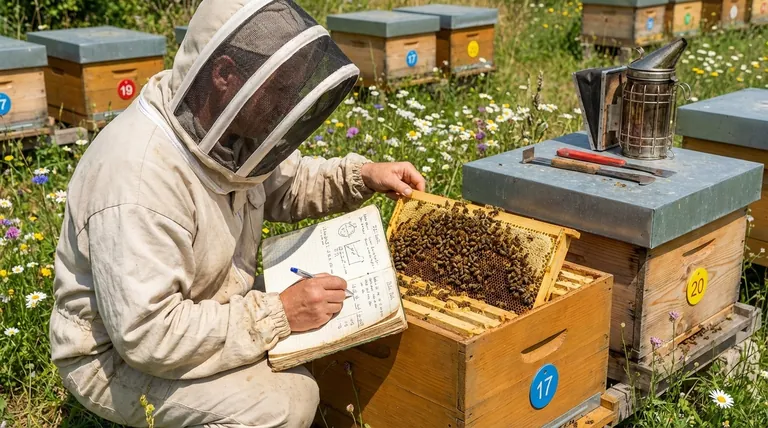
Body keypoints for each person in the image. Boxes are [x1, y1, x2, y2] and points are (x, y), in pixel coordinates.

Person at [49, 0, 425, 426]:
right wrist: (278, 314)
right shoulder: (138, 179)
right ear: (225, 75)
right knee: (288, 401)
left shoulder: (229, 129)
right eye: (280, 91)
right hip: (116, 359)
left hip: (206, 302)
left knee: (339, 296)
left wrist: (361, 176)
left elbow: (287, 183)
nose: (286, 107)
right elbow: (147, 334)